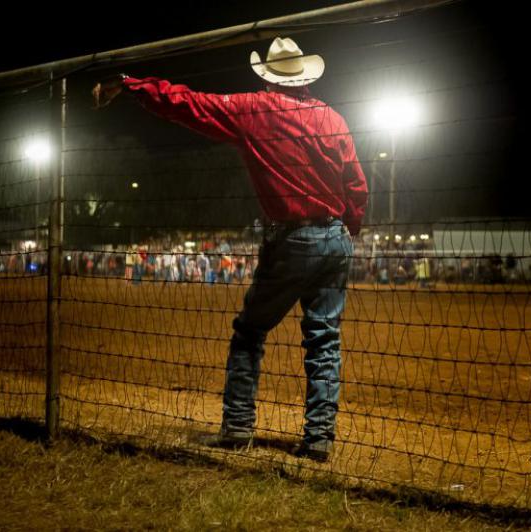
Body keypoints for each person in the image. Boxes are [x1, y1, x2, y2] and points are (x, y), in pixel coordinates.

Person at [93, 37, 368, 462]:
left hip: (292, 237)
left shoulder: (254, 109)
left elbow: (188, 103)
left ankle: (238, 426)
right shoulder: (333, 118)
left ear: (268, 76)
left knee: (250, 332)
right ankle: (319, 437)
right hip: (335, 236)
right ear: (306, 76)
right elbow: (355, 184)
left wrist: (132, 84)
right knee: (324, 340)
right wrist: (350, 226)